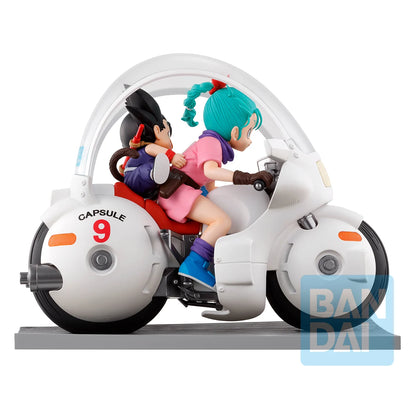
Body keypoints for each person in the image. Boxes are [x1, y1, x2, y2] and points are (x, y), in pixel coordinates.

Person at [158, 79, 273, 288]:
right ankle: (194, 264)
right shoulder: (211, 143)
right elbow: (210, 171)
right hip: (178, 193)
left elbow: (209, 184)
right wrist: (245, 177)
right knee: (221, 221)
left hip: (184, 191)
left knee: (221, 214)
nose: (249, 139)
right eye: (248, 132)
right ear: (235, 131)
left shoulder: (213, 143)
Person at [109, 89, 186, 198]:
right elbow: (153, 149)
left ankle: (156, 181)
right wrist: (172, 156)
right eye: (167, 134)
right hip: (134, 175)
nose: (171, 144)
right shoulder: (150, 148)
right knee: (150, 168)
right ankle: (153, 173)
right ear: (157, 131)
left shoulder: (155, 158)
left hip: (146, 188)